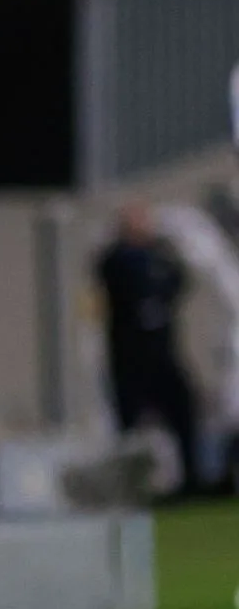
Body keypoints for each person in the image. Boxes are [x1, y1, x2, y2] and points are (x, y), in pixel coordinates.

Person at [95, 202, 200, 497]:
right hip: (129, 359)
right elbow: (121, 279)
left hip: (162, 355)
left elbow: (179, 281)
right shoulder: (117, 259)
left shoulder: (160, 257)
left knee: (183, 414)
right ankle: (130, 487)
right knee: (129, 427)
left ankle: (189, 481)